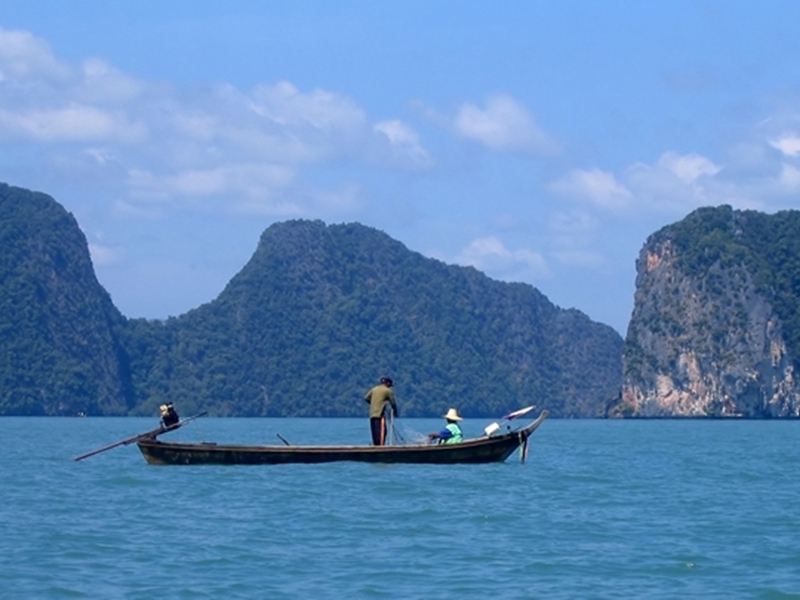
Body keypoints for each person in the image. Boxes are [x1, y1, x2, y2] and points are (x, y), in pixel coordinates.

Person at [363, 376, 398, 445]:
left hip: (372, 414)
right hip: (380, 415)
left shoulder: (374, 389)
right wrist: (395, 412)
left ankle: (376, 445)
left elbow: (366, 398)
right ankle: (380, 446)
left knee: (375, 432)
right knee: (382, 431)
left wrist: (373, 403)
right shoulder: (388, 391)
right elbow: (393, 403)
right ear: (388, 383)